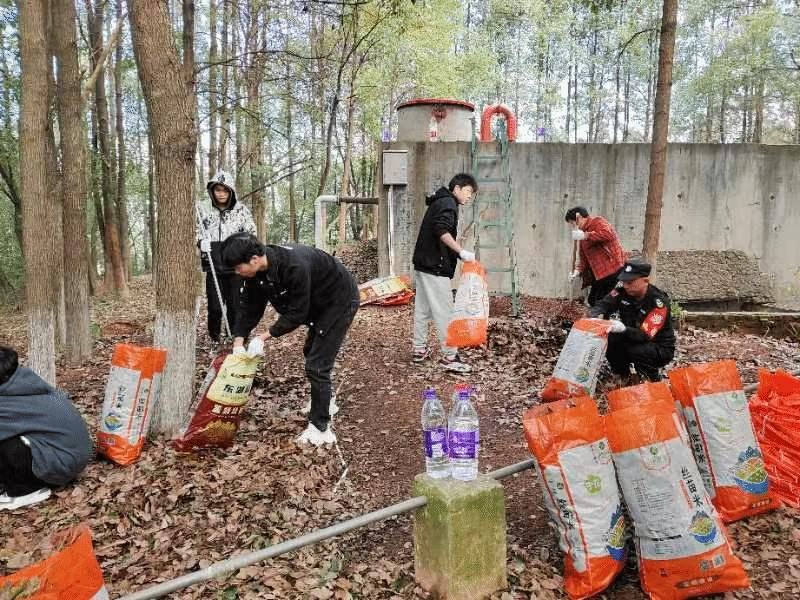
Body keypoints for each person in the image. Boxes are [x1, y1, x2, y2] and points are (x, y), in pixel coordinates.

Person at [221, 233, 360, 447]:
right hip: (317, 302)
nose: (237, 273)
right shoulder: (256, 274)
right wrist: (239, 341)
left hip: (338, 301)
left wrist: (264, 337)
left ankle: (320, 428)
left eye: (239, 268)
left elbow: (297, 313)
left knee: (317, 365)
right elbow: (249, 307)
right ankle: (324, 401)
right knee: (311, 351)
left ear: (254, 259)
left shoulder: (294, 267)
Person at [0, 346, 92, 510]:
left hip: (61, 465)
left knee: (5, 440)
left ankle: (25, 491)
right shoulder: (23, 383)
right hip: (69, 456)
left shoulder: (9, 402)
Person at [411, 173, 478, 373]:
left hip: (423, 263)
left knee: (423, 309)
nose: (469, 197)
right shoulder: (448, 203)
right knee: (445, 311)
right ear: (457, 188)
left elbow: (438, 229)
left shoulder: (438, 201)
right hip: (435, 266)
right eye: (468, 191)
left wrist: (456, 251)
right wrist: (461, 251)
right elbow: (442, 230)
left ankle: (419, 348)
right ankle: (450, 356)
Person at [196, 170, 257, 349]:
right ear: (212, 191)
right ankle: (214, 338)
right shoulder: (202, 209)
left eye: (225, 190)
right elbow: (195, 229)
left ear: (231, 192)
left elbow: (251, 234)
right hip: (213, 265)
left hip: (236, 267)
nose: (221, 194)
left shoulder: (241, 211)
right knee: (215, 307)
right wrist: (200, 242)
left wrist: (242, 250)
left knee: (235, 305)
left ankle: (235, 338)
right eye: (218, 190)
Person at [589, 260, 676, 381]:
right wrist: (594, 315)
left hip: (658, 346)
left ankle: (651, 379)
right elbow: (603, 304)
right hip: (632, 337)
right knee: (611, 338)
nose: (626, 286)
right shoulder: (621, 292)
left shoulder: (658, 303)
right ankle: (621, 375)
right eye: (624, 282)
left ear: (645, 281)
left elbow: (644, 335)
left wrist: (623, 329)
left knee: (635, 350)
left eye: (630, 282)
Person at [565, 206, 626, 306]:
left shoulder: (597, 222)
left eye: (573, 223)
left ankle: (612, 313)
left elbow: (608, 234)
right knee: (592, 300)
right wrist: (577, 271)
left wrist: (586, 235)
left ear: (579, 218)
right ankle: (604, 313)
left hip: (613, 267)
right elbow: (584, 258)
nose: (574, 226)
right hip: (599, 273)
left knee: (602, 300)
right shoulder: (582, 236)